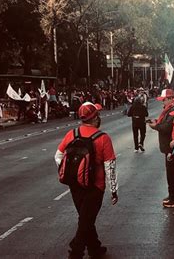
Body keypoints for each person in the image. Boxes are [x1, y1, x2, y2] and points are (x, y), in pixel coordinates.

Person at [54, 102, 118, 259]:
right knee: (85, 221)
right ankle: (75, 252)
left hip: (75, 185)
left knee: (85, 218)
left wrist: (73, 172)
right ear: (95, 118)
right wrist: (113, 190)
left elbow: (58, 156)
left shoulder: (72, 134)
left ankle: (95, 247)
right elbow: (110, 166)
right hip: (95, 186)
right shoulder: (103, 138)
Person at [148, 89, 174, 208]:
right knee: (170, 173)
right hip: (167, 146)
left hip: (171, 147)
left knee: (172, 174)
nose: (162, 102)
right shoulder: (168, 110)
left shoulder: (173, 110)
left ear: (169, 99)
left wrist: (156, 126)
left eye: (164, 100)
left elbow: (168, 127)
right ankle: (173, 194)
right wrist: (157, 122)